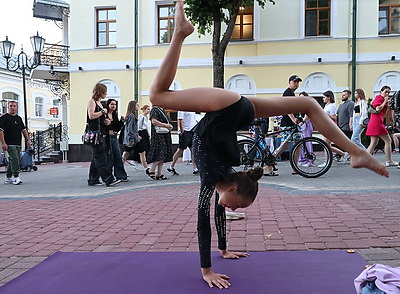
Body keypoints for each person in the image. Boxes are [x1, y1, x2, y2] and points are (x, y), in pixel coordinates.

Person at [149, 1, 388, 289]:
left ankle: (358, 152)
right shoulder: (217, 175)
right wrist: (207, 270)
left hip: (237, 109)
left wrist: (223, 250)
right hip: (227, 109)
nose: (235, 210)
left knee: (308, 103)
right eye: (238, 205)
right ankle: (180, 33)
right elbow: (205, 220)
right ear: (234, 188)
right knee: (158, 96)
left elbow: (215, 214)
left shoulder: (223, 176)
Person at [86, 83, 121, 187]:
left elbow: (99, 118)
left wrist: (106, 121)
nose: (106, 94)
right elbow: (91, 116)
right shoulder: (92, 101)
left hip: (102, 134)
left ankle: (93, 179)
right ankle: (108, 179)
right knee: (100, 158)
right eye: (104, 92)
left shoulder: (99, 102)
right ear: (100, 91)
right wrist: (102, 112)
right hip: (95, 134)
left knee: (96, 157)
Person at [366, 86, 398, 167]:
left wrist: (387, 104)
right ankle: (389, 161)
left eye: (388, 92)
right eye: (386, 92)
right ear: (381, 92)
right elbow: (378, 109)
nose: (387, 94)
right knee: (388, 141)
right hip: (377, 122)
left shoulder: (379, 98)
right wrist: (385, 102)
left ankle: (365, 160)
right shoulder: (379, 98)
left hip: (374, 122)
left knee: (373, 143)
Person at [0, 101, 31, 185]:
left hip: (18, 143)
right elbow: (1, 131)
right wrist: (3, 143)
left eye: (14, 106)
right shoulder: (4, 118)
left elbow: (24, 130)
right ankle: (16, 177)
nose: (12, 108)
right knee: (15, 159)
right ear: (8, 107)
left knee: (12, 160)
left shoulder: (18, 118)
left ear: (17, 107)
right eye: (10, 106)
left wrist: (28, 140)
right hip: (9, 143)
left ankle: (8, 177)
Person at [167, 111, 198, 175]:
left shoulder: (192, 108)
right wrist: (182, 132)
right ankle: (171, 166)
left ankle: (195, 168)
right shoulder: (181, 109)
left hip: (192, 131)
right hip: (185, 131)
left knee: (193, 149)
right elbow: (180, 120)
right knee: (181, 149)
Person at [146, 106, 173, 180]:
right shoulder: (155, 109)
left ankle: (159, 173)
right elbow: (154, 121)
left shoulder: (162, 110)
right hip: (158, 135)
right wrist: (165, 125)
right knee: (162, 152)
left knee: (163, 154)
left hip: (164, 135)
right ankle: (152, 169)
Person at [122, 101, 149, 174]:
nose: (138, 106)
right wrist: (136, 137)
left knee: (126, 153)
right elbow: (131, 129)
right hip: (133, 139)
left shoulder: (130, 115)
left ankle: (120, 168)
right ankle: (146, 168)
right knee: (142, 152)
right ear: (133, 106)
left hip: (131, 138)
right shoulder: (132, 116)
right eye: (137, 105)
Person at [105, 99, 128, 182]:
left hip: (114, 137)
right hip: (106, 137)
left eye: (115, 104)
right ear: (108, 105)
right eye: (112, 104)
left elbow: (117, 128)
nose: (113, 106)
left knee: (118, 156)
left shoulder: (114, 115)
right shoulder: (104, 114)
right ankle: (109, 177)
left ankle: (121, 175)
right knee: (109, 158)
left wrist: (121, 121)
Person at [322, 90, 346, 160]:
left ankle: (327, 161)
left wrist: (326, 115)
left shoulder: (331, 106)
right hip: (326, 126)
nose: (323, 98)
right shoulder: (326, 106)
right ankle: (343, 154)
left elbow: (335, 118)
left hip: (330, 127)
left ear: (328, 97)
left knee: (326, 145)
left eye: (324, 97)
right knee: (327, 145)